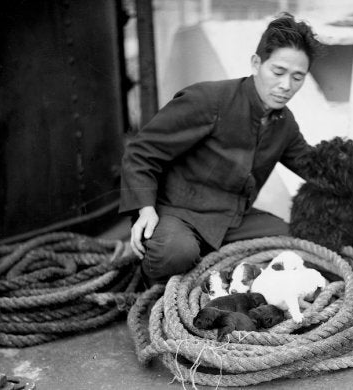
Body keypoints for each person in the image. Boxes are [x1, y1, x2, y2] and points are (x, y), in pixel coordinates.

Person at [119, 13, 324, 285]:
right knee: (175, 253)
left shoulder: (284, 124)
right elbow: (141, 152)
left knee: (299, 247)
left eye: (298, 77)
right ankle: (151, 275)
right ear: (256, 63)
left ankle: (220, 276)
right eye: (278, 72)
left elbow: (315, 167)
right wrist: (145, 209)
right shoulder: (207, 99)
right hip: (178, 213)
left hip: (233, 221)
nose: (286, 86)